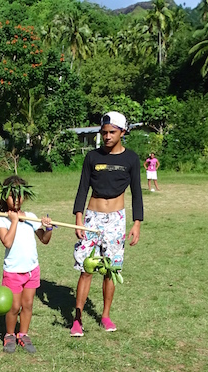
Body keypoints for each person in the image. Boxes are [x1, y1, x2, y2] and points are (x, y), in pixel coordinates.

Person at [71, 111, 143, 337]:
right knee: (86, 268)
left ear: (122, 132)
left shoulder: (131, 159)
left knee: (110, 269)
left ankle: (105, 315)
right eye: (104, 133)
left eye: (112, 132)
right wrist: (78, 217)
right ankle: (78, 318)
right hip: (92, 218)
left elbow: (137, 193)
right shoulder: (92, 157)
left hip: (116, 220)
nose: (107, 136)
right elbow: (83, 187)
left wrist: (137, 222)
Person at [0, 176, 53, 354]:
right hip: (13, 272)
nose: (17, 199)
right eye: (13, 195)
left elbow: (44, 240)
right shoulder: (2, 220)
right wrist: (14, 221)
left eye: (20, 195)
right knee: (13, 306)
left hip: (32, 270)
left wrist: (48, 228)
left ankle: (23, 334)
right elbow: (7, 242)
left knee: (27, 305)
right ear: (5, 197)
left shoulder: (31, 217)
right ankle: (10, 335)